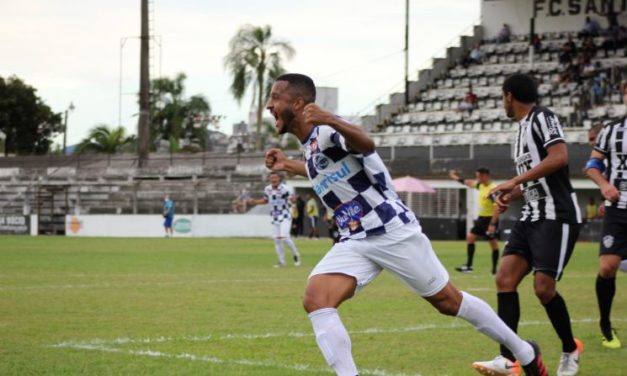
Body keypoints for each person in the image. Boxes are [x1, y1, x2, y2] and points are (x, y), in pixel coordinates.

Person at [264, 72, 548, 376]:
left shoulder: (326, 131)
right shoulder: (310, 144)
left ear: (297, 102)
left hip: (390, 230)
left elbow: (366, 145)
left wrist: (331, 118)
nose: (269, 106)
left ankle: (524, 352)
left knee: (448, 302)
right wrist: (288, 165)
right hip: (356, 238)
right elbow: (327, 171)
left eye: (274, 98)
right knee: (316, 298)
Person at [475, 74, 583, 376]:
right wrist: (512, 192)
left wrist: (514, 180)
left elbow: (559, 158)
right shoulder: (520, 130)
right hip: (531, 214)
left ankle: (570, 348)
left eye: (502, 96)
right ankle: (508, 360)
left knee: (543, 289)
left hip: (556, 214)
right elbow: (537, 178)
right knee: (504, 280)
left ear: (509, 96)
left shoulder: (542, 117)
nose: (502, 102)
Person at [584, 80, 627, 349]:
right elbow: (592, 165)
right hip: (618, 209)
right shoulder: (612, 130)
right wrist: (605, 185)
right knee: (607, 267)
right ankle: (605, 324)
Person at [449, 168, 501, 275]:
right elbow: (468, 182)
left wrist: (492, 224)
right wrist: (455, 178)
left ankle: (495, 270)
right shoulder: (480, 185)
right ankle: (469, 266)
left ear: (484, 176)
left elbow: (497, 208)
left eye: (478, 176)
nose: (477, 178)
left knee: (493, 244)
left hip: (490, 219)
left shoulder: (493, 189)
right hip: (481, 219)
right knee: (470, 237)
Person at [247, 172, 301, 267]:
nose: (274, 180)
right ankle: (282, 262)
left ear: (279, 179)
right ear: (269, 179)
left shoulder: (285, 189)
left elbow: (292, 199)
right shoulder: (267, 189)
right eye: (272, 178)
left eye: (275, 178)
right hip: (275, 216)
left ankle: (296, 254)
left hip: (285, 216)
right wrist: (255, 201)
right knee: (277, 240)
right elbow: (266, 200)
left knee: (285, 238)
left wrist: (293, 200)